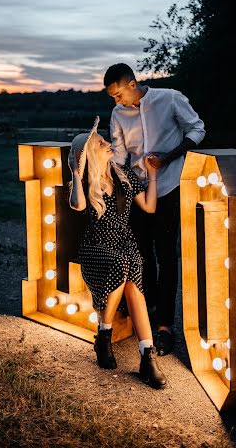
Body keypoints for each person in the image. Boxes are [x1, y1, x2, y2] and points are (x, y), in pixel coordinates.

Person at [104, 63, 205, 356]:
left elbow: (197, 129)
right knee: (142, 255)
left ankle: (165, 326)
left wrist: (169, 157)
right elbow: (120, 154)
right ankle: (145, 314)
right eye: (112, 97)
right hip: (137, 191)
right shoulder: (117, 114)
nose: (116, 101)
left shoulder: (170, 98)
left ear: (132, 84)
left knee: (166, 256)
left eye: (119, 94)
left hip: (169, 187)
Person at [68, 116, 167, 389]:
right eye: (101, 143)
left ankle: (147, 357)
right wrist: (76, 173)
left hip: (124, 243)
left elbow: (149, 206)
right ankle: (105, 336)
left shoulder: (123, 175)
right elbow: (76, 205)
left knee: (134, 278)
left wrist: (153, 175)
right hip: (96, 247)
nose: (108, 143)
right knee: (123, 265)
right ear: (89, 153)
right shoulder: (87, 180)